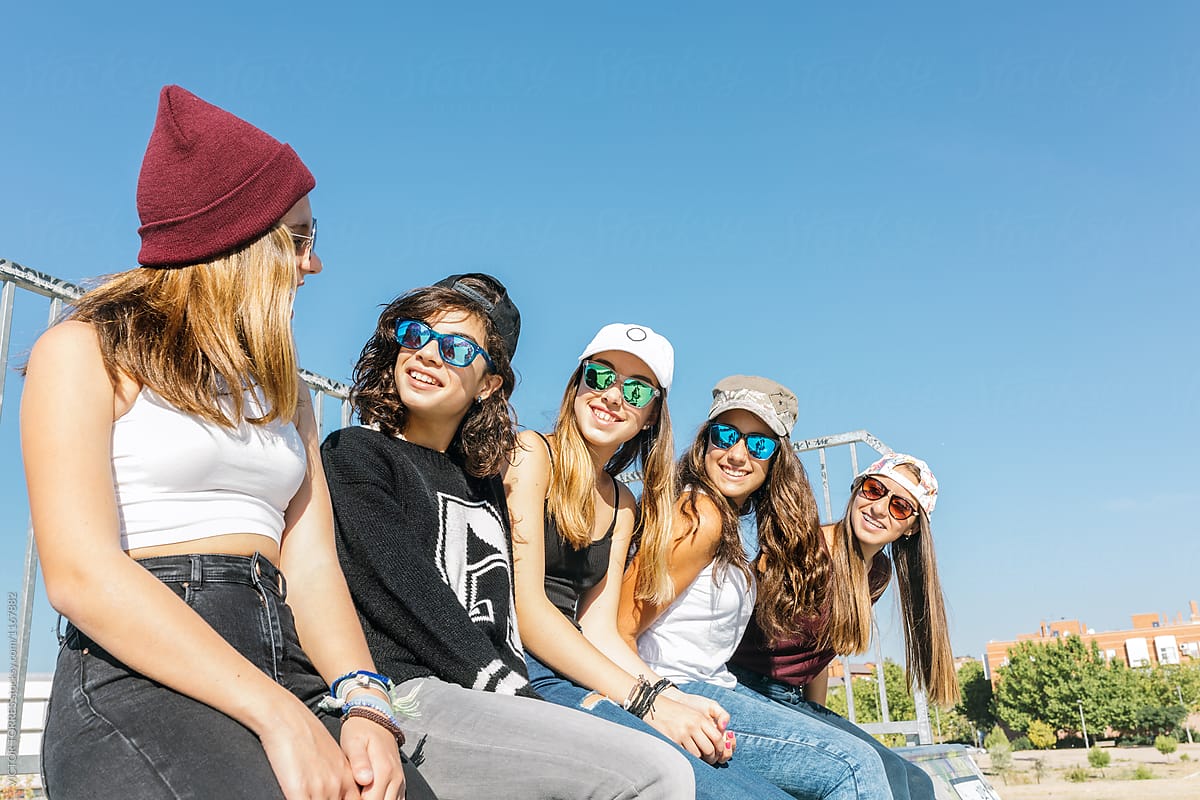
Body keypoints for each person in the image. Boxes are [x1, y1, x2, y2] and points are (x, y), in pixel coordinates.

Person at [22, 85, 427, 800]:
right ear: (238, 243)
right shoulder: (83, 351)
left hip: (288, 652)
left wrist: (366, 703)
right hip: (146, 663)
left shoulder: (286, 389)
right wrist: (279, 717)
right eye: (300, 238)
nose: (315, 263)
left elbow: (311, 567)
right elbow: (80, 574)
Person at [322, 280, 695, 799]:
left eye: (455, 348)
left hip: (486, 695)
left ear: (488, 385)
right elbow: (403, 592)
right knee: (658, 772)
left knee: (665, 764)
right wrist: (511, 688)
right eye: (415, 334)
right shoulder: (356, 453)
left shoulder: (482, 482)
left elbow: (513, 617)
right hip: (413, 690)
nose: (428, 354)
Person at [504, 325, 792, 800]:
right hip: (522, 664)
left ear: (651, 415)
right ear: (576, 384)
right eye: (600, 376)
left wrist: (675, 698)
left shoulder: (621, 504)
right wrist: (648, 701)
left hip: (571, 666)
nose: (613, 397)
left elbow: (599, 629)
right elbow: (529, 612)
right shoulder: (531, 453)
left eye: (636, 390)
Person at [620, 376, 894, 799]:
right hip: (679, 688)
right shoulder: (699, 515)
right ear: (704, 443)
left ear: (775, 461)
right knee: (855, 767)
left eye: (758, 445)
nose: (737, 454)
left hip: (715, 689)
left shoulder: (732, 523)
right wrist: (663, 706)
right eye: (724, 436)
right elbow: (621, 630)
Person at [729, 451, 956, 800]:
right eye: (873, 489)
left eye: (899, 507)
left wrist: (819, 717)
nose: (879, 508)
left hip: (790, 700)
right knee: (861, 768)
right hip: (742, 688)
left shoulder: (877, 573)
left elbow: (818, 657)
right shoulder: (805, 550)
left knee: (914, 780)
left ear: (911, 527)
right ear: (856, 490)